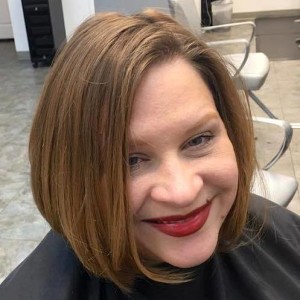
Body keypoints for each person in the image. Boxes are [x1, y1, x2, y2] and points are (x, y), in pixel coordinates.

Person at [1, 9, 299, 300]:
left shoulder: (288, 239)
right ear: (69, 175)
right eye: (131, 161)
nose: (182, 193)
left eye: (199, 139)